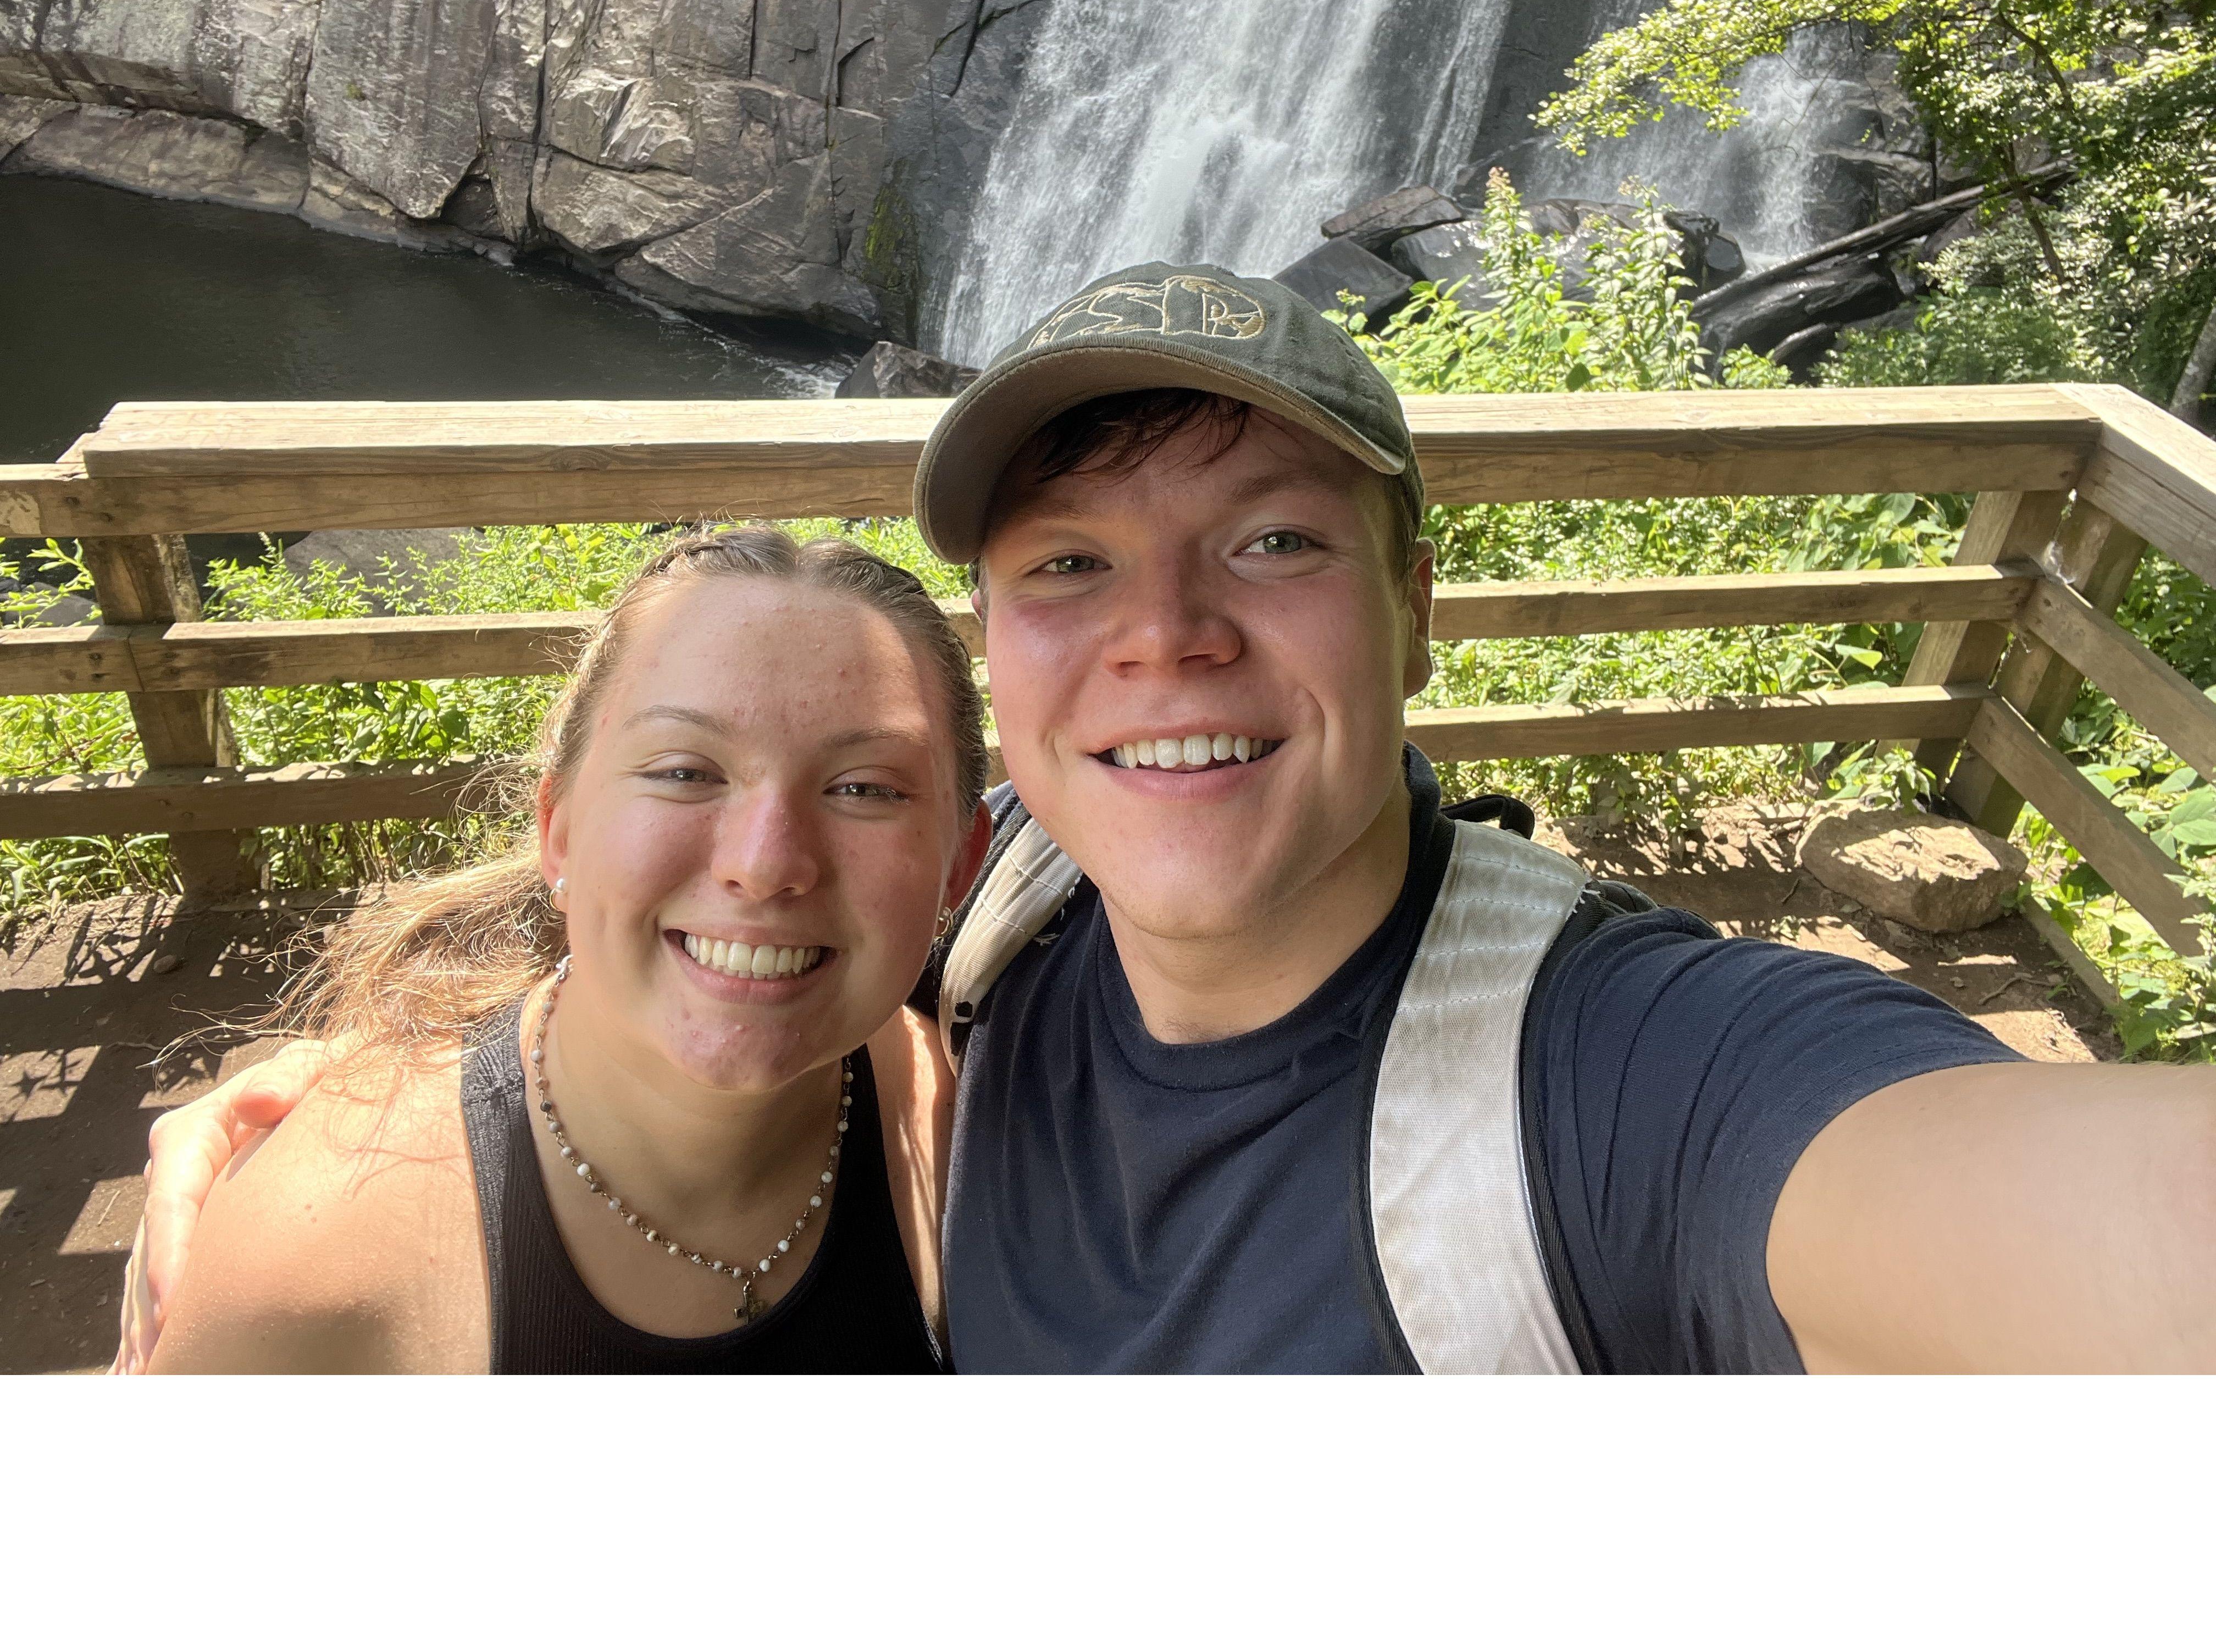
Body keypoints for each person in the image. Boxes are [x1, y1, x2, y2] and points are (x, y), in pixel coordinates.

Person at [128, 264, 2216, 1373]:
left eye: (1275, 540)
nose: (1168, 640)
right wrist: (376, 1079)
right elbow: (747, 898)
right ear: (1004, 713)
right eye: (1068, 568)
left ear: (1414, 605)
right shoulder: (1022, 911)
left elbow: (2058, 1226)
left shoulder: (1626, 1087)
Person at [133, 527, 990, 1373]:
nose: (765, 865)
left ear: (962, 862)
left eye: (865, 788)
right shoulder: (314, 1258)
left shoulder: (988, 1137)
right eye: (685, 772)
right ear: (559, 829)